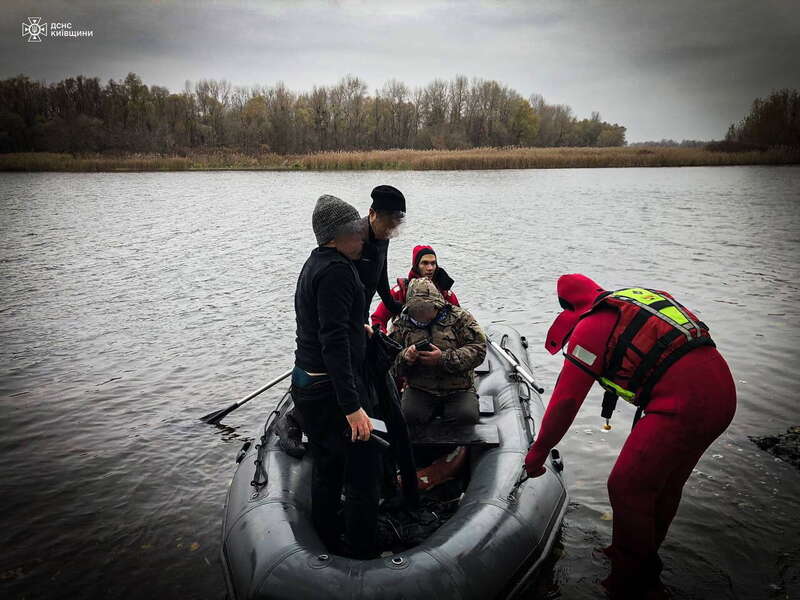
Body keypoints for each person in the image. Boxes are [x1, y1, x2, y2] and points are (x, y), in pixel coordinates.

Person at [524, 274, 737, 599]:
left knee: (625, 486)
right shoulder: (634, 301)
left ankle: (633, 583)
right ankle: (638, 555)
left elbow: (566, 401)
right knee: (661, 486)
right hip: (722, 394)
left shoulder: (592, 325)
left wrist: (539, 450)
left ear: (568, 309)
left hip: (684, 403)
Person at [291, 194, 381, 559]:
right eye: (355, 232)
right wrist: (353, 407)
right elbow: (332, 344)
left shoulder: (315, 264)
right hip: (330, 390)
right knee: (364, 470)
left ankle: (325, 541)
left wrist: (358, 327)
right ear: (334, 236)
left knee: (327, 463)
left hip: (305, 384)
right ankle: (361, 555)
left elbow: (324, 322)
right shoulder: (338, 271)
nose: (362, 237)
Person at [390, 278, 486, 432]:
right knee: (408, 416)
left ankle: (460, 450)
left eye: (425, 308)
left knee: (466, 416)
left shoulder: (460, 318)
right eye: (416, 309)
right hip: (420, 388)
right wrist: (405, 357)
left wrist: (443, 358)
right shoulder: (401, 324)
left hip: (458, 387)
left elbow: (479, 349)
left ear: (436, 305)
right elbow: (390, 363)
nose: (420, 313)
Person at [371, 245, 460, 333]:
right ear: (416, 265)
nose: (430, 268)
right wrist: (383, 339)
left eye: (433, 263)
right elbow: (378, 318)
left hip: (440, 343)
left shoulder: (445, 292)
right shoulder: (401, 291)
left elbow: (460, 320)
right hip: (405, 342)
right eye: (425, 263)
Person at [355, 185, 406, 323]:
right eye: (387, 225)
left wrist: (391, 304)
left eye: (394, 226)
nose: (390, 232)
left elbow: (381, 272)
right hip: (345, 313)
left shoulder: (384, 236)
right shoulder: (352, 240)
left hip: (362, 312)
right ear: (372, 214)